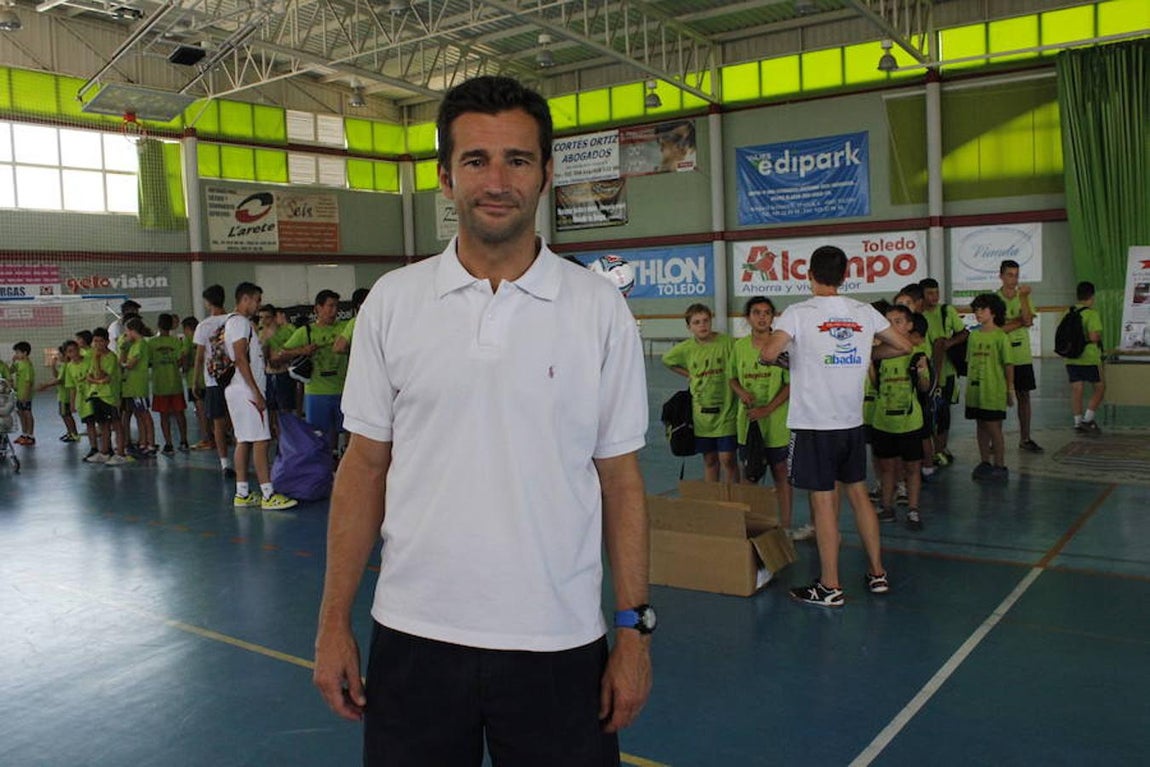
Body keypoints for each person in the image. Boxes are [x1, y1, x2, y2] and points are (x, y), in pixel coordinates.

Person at [313, 75, 652, 767]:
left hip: (559, 643)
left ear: (546, 173)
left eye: (517, 160)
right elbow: (363, 467)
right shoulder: (393, 302)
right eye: (476, 160)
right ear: (444, 176)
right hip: (413, 638)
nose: (496, 180)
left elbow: (620, 481)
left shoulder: (597, 309)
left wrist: (634, 633)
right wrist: (332, 623)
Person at [758, 245, 912, 607]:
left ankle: (830, 585)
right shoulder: (863, 311)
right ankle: (877, 574)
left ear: (809, 275)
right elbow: (904, 346)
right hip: (851, 423)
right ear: (845, 276)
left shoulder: (798, 313)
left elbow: (767, 353)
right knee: (858, 496)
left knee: (824, 504)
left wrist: (785, 357)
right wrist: (866, 353)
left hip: (814, 425)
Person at [728, 297, 810, 540]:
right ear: (748, 317)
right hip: (749, 424)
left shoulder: (783, 345)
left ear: (773, 317)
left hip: (776, 425)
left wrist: (768, 409)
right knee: (750, 476)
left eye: (766, 313)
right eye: (756, 312)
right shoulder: (740, 346)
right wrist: (741, 391)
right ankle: (750, 526)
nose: (762, 317)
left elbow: (790, 385)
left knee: (781, 473)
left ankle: (784, 527)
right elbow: (732, 377)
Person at [223, 283, 298, 511]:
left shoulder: (239, 324)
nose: (258, 305)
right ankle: (268, 494)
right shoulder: (239, 323)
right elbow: (240, 358)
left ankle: (242, 493)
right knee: (261, 440)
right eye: (256, 300)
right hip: (246, 390)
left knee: (244, 439)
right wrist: (256, 392)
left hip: (239, 389)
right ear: (245, 299)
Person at [870, 305, 932, 532]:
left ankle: (913, 509)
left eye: (897, 321)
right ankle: (887, 506)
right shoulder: (877, 354)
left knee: (912, 468)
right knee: (887, 468)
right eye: (888, 321)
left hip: (909, 422)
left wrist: (922, 371)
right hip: (883, 420)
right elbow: (875, 384)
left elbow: (925, 387)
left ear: (909, 326)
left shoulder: (917, 352)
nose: (891, 325)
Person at [662, 303, 740, 483]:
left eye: (705, 321)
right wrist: (689, 374)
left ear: (711, 322)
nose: (702, 325)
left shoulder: (728, 343)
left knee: (727, 459)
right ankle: (712, 501)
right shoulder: (686, 348)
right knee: (710, 459)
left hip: (727, 412)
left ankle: (733, 499)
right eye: (696, 322)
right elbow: (667, 360)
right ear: (689, 327)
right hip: (701, 415)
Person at [283, 290, 347, 453]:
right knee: (318, 434)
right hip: (316, 392)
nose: (334, 311)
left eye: (336, 306)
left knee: (347, 430)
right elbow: (282, 353)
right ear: (317, 308)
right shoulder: (306, 332)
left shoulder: (345, 327)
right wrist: (302, 350)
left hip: (343, 390)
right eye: (330, 306)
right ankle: (322, 462)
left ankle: (339, 459)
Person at [919, 278, 967, 466]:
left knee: (943, 412)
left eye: (936, 292)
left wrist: (950, 343)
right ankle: (931, 449)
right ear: (922, 295)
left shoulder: (947, 311)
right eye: (930, 293)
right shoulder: (919, 315)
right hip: (926, 374)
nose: (934, 297)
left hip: (947, 372)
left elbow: (963, 333)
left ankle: (941, 448)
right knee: (927, 413)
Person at [966, 293, 1014, 482]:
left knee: (994, 428)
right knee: (980, 424)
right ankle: (984, 461)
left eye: (982, 309)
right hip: (976, 390)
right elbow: (970, 362)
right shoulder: (974, 336)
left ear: (993, 312)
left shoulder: (1001, 337)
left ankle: (1000, 465)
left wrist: (1009, 390)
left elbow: (1008, 365)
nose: (978, 313)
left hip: (993, 390)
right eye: (976, 310)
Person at [997, 260, 1041, 452]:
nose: (1013, 279)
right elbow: (997, 329)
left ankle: (1025, 438)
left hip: (1021, 354)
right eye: (1009, 275)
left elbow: (1029, 320)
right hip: (1000, 354)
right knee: (997, 397)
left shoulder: (1024, 297)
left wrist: (1023, 298)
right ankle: (994, 439)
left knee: (1024, 396)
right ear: (1001, 276)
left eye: (1016, 275)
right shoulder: (994, 299)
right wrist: (1019, 321)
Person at [191, 285, 235, 476]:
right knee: (237, 419)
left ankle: (225, 463)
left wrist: (195, 381)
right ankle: (244, 456)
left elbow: (200, 357)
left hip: (214, 379)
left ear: (207, 302)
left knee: (218, 422)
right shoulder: (234, 320)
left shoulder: (204, 326)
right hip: (235, 377)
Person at [1063, 281, 1106, 435]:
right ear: (1092, 296)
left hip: (1071, 358)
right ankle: (1088, 419)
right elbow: (1094, 337)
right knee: (1100, 387)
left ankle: (1077, 422)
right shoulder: (1092, 314)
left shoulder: (1069, 312)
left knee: (1077, 389)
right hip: (1089, 358)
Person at [84, 328, 129, 465]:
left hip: (109, 396)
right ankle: (104, 452)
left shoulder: (111, 357)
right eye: (95, 341)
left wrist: (97, 363)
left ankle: (120, 453)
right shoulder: (93, 356)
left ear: (107, 342)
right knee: (103, 424)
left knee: (116, 424)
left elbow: (103, 377)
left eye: (100, 341)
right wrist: (96, 380)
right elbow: (90, 376)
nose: (97, 344)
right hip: (97, 394)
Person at [149, 313, 190, 454]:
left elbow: (148, 362)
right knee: (180, 414)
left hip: (160, 385)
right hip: (175, 383)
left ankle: (168, 444)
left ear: (158, 325)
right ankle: (184, 441)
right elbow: (181, 361)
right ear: (171, 325)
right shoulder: (176, 342)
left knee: (164, 416)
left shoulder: (151, 343)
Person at [120, 317, 157, 456]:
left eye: (127, 331)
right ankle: (144, 442)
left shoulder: (141, 344)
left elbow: (130, 364)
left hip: (138, 386)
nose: (126, 334)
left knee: (145, 415)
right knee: (140, 415)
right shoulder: (133, 345)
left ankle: (151, 444)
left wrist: (121, 365)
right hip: (132, 386)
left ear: (132, 330)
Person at [38, 342, 80, 443]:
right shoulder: (63, 366)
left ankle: (74, 434)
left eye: (60, 354)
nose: (58, 356)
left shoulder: (67, 366)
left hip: (65, 396)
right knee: (64, 415)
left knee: (67, 415)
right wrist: (53, 366)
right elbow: (57, 376)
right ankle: (70, 432)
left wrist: (45, 385)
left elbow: (59, 380)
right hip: (62, 395)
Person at [181, 316, 212, 449]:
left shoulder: (189, 339)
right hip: (207, 378)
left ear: (187, 328)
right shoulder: (205, 337)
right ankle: (215, 436)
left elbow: (185, 355)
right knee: (210, 410)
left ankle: (206, 438)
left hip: (194, 378)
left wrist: (185, 366)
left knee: (200, 411)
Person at [10, 341, 36, 446]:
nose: (16, 354)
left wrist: (26, 396)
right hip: (18, 394)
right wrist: (12, 361)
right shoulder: (18, 363)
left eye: (18, 352)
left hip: (26, 395)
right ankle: (24, 434)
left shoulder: (27, 366)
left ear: (25, 353)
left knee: (27, 414)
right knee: (21, 414)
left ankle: (31, 436)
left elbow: (28, 382)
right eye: (16, 352)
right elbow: (10, 371)